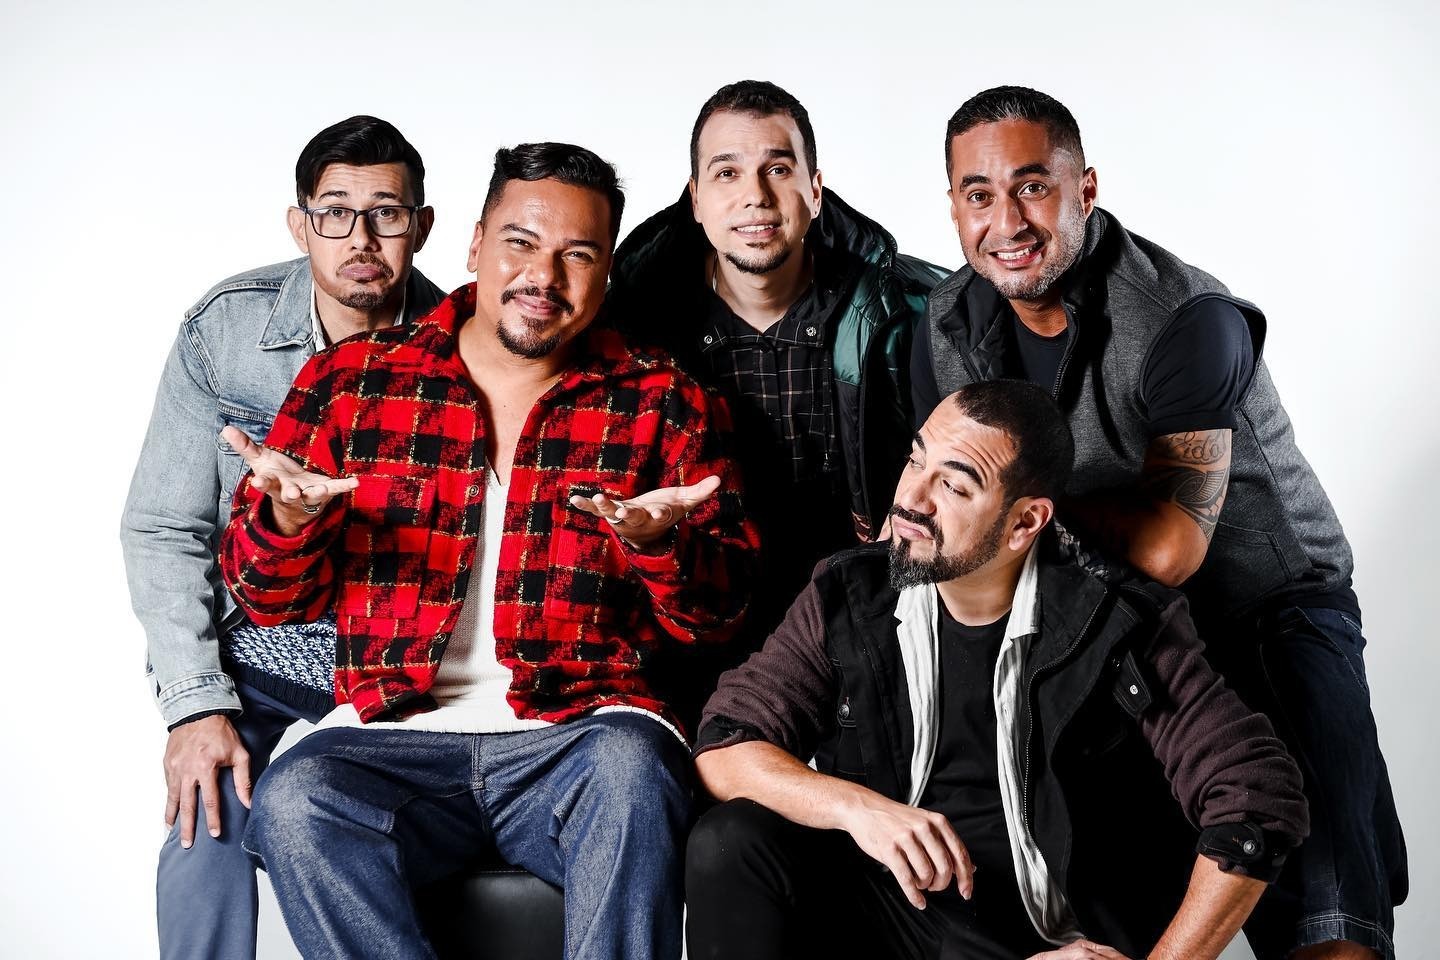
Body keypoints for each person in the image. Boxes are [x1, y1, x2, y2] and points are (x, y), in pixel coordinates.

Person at [218, 142, 758, 960]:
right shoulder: (352, 383)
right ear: (474, 245)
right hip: (392, 734)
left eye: (578, 254)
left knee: (633, 772)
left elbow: (721, 617)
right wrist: (287, 523)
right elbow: (267, 599)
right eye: (521, 242)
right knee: (296, 801)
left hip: (579, 734)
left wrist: (660, 546)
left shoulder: (663, 401)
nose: (544, 275)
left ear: (608, 272)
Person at [911, 85, 1405, 960]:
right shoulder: (948, 323)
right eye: (978, 194)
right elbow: (942, 502)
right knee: (1105, 892)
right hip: (1106, 621)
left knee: (1324, 906)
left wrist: (1016, 511)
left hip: (1266, 607)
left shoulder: (1186, 316)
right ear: (953, 206)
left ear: (1086, 188)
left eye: (1033, 186)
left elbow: (1174, 547)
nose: (1007, 221)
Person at [687, 380, 1310, 960]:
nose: (911, 500)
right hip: (895, 913)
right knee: (730, 841)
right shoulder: (851, 594)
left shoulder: (1118, 623)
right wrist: (857, 808)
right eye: (914, 461)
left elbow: (1256, 795)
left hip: (1040, 941)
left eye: (954, 487)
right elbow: (726, 745)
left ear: (1024, 523)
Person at [119, 115, 443, 960]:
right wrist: (195, 707)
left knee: (401, 850)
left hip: (396, 665)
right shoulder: (227, 331)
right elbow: (163, 525)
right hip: (259, 659)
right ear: (300, 224)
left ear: (422, 225)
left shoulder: (465, 346)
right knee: (205, 826)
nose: (361, 238)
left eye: (387, 213)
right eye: (335, 212)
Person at [608, 81, 946, 715]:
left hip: (869, 629)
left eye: (778, 169)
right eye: (727, 173)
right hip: (691, 641)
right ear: (696, 199)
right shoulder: (633, 327)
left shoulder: (912, 310)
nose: (755, 197)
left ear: (815, 190)